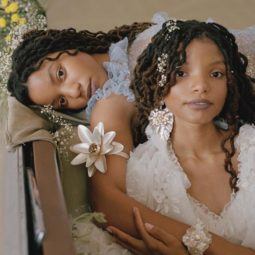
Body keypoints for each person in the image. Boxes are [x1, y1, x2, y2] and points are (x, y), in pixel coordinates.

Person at [7, 14, 255, 254]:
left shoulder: (129, 45)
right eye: (62, 101)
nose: (75, 91)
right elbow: (107, 200)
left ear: (65, 46)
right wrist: (211, 247)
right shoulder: (109, 105)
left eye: (61, 73)